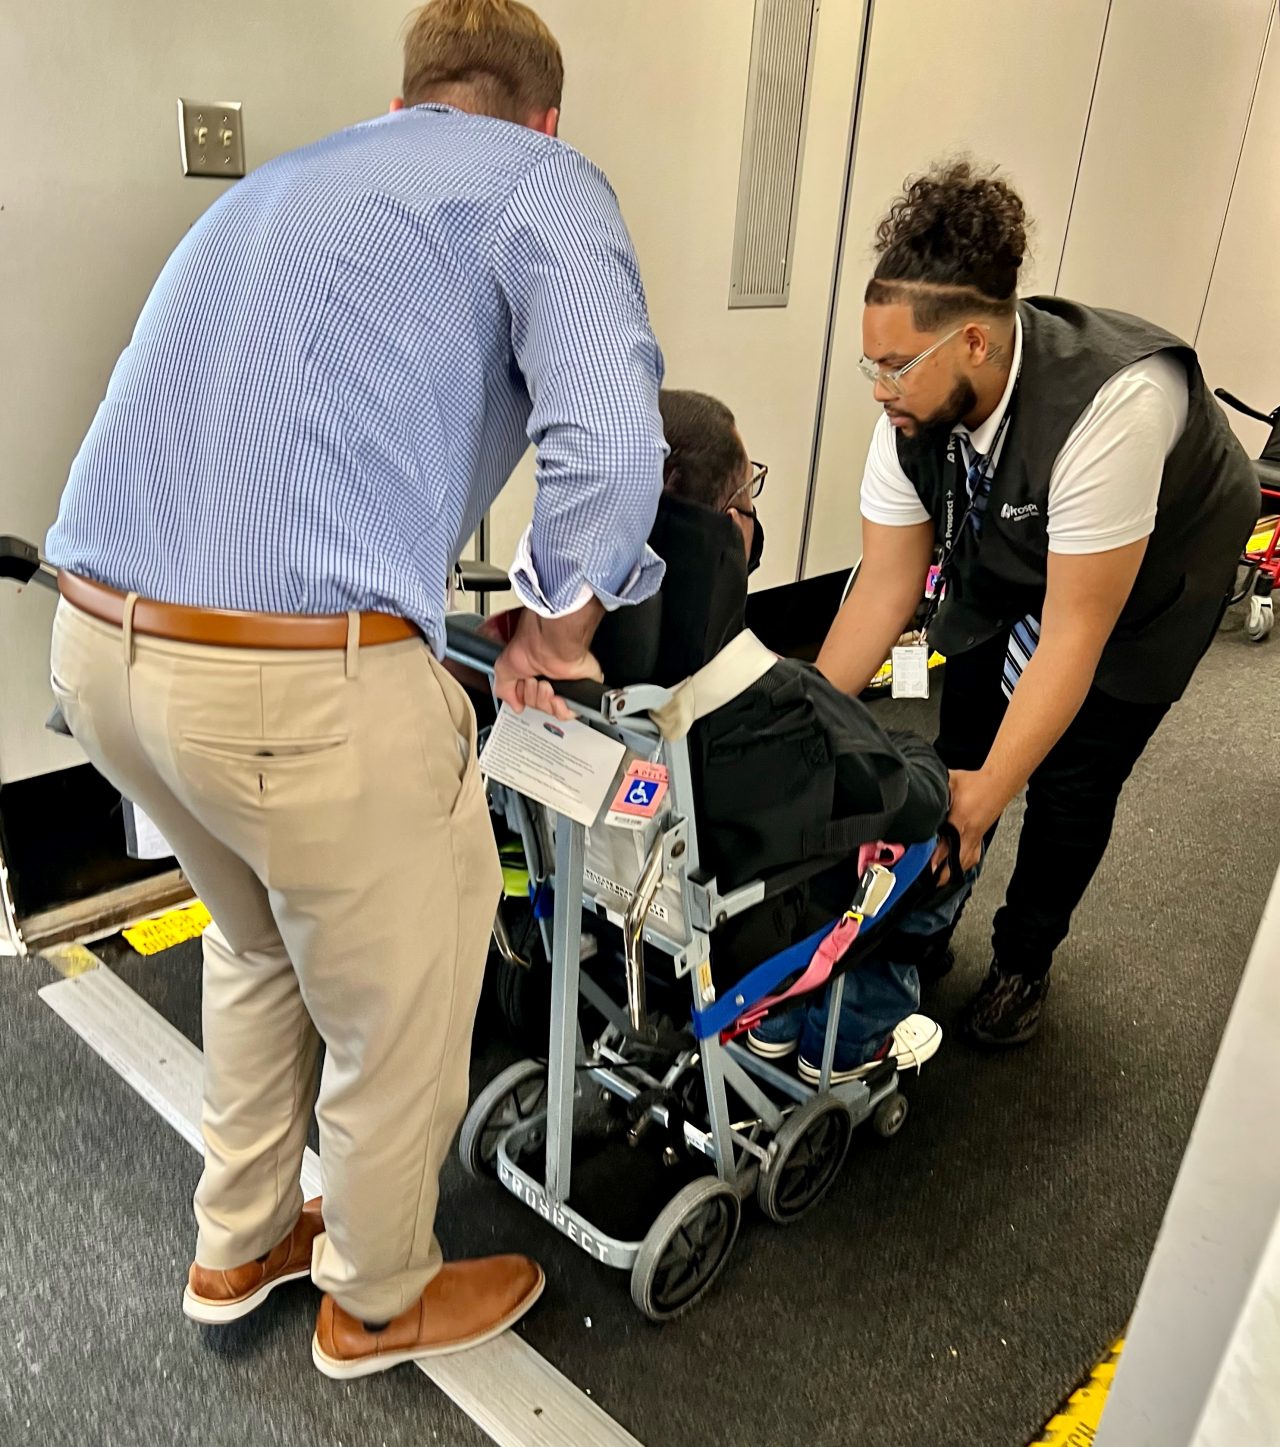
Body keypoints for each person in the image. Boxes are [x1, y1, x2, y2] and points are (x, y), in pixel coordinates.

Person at [44, 0, 668, 1380]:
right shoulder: (540, 180)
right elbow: (618, 455)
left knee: (259, 936)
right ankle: (379, 1296)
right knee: (401, 997)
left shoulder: (283, 184)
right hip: (287, 688)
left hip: (99, 656)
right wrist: (552, 631)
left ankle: (240, 1237)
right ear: (542, 116)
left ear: (411, 95)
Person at [817, 161, 1259, 1047]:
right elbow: (885, 583)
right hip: (1018, 539)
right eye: (873, 361)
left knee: (1067, 778)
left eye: (896, 365)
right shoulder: (916, 412)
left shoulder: (1112, 407)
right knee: (966, 732)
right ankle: (930, 921)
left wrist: (987, 799)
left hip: (1158, 575)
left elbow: (1072, 638)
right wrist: (803, 723)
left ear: (974, 342)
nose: (878, 387)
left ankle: (1024, 960)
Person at [656, 389, 952, 1081]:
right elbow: (905, 798)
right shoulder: (778, 696)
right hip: (743, 933)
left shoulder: (565, 673)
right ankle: (849, 1038)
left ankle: (776, 1024)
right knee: (925, 839)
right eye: (749, 491)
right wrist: (924, 758)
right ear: (732, 527)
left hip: (635, 925)